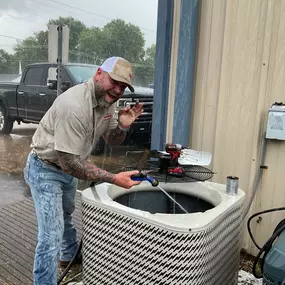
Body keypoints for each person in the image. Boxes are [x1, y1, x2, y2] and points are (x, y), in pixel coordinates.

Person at [23, 56, 144, 285]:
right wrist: (113, 179)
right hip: (46, 168)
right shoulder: (73, 105)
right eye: (114, 81)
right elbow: (70, 163)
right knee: (50, 237)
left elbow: (112, 139)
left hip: (71, 167)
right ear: (99, 74)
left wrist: (123, 126)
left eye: (122, 86)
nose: (117, 90)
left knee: (66, 215)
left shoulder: (109, 101)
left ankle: (68, 255)